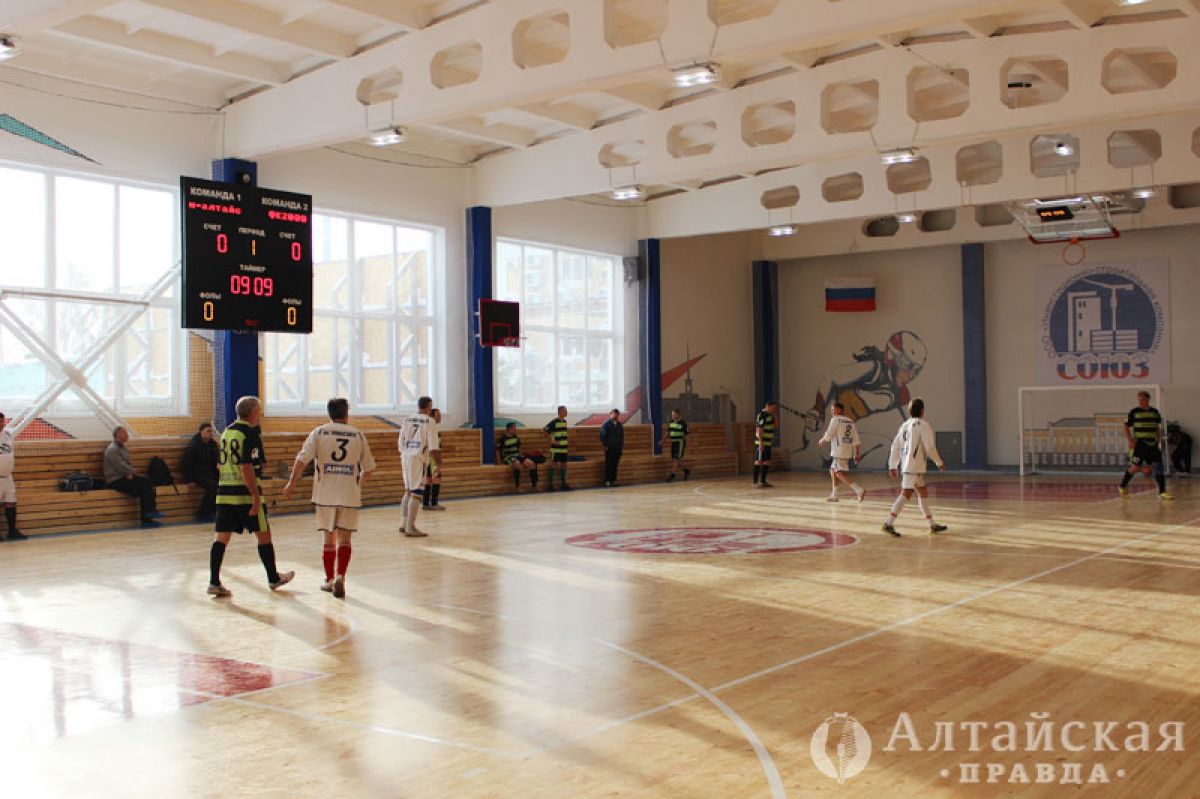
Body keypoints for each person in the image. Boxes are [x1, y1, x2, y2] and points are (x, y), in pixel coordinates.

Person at [283, 397, 375, 599]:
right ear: (346, 413)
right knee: (345, 538)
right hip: (349, 493)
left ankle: (329, 579)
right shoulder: (358, 435)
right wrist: (357, 482)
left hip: (325, 493)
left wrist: (291, 483)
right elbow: (368, 469)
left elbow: (301, 459)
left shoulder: (319, 432)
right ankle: (341, 575)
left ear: (329, 413)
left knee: (328, 538)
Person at [207, 396, 294, 597]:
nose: (260, 414)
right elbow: (246, 466)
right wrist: (255, 495)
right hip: (245, 494)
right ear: (253, 412)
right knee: (264, 535)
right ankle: (273, 577)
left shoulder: (227, 432)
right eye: (259, 410)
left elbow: (221, 464)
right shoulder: (250, 433)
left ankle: (214, 581)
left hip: (225, 493)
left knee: (221, 538)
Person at [882, 398, 947, 537]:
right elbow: (930, 447)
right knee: (906, 493)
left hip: (910, 465)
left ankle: (932, 524)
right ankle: (888, 523)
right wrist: (939, 462)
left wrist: (893, 465)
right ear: (922, 411)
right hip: (913, 466)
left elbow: (895, 446)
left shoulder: (904, 425)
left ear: (909, 411)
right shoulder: (923, 425)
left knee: (922, 492)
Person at [104, 426, 163, 528]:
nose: (127, 435)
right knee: (145, 486)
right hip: (115, 480)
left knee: (146, 486)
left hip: (124, 477)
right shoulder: (112, 449)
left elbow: (127, 465)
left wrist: (130, 473)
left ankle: (148, 518)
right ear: (118, 435)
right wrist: (132, 473)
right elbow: (121, 466)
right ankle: (148, 516)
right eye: (125, 433)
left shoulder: (123, 448)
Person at [1119, 391, 1172, 501]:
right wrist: (1130, 440)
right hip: (1140, 444)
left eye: (1142, 399)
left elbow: (1157, 427)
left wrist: (1158, 438)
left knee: (1159, 465)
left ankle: (1162, 492)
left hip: (1153, 444)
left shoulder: (1155, 412)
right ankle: (1122, 485)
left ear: (1147, 399)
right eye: (1139, 400)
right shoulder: (1134, 412)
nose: (1140, 402)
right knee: (1135, 467)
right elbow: (1126, 426)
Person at [398, 396, 434, 537]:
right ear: (429, 406)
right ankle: (410, 527)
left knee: (408, 491)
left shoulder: (406, 419)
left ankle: (403, 524)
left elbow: (400, 441)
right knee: (417, 493)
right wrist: (438, 465)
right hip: (418, 458)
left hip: (405, 456)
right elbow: (434, 447)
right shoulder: (429, 421)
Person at [818, 401, 865, 502]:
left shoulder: (835, 420)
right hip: (847, 450)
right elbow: (856, 439)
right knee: (833, 470)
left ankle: (858, 490)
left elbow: (829, 433)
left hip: (838, 450)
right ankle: (834, 495)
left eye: (833, 409)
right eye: (831, 410)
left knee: (838, 473)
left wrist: (822, 440)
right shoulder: (850, 421)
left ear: (839, 410)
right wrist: (857, 453)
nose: (831, 411)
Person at [182, 422, 219, 522]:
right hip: (197, 474)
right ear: (201, 432)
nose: (211, 433)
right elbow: (186, 463)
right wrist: (189, 480)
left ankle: (215, 511)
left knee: (224, 484)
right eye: (208, 431)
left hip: (210, 473)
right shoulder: (194, 445)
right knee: (213, 487)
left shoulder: (213, 444)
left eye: (211, 431)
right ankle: (202, 513)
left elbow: (216, 460)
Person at [0, 412, 26, 541]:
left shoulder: (7, 435)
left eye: (2, 421)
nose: (1, 424)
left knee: (11, 502)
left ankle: (12, 531)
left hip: (8, 476)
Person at [498, 422, 538, 491]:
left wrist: (522, 457)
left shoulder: (516, 437)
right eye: (514, 428)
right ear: (509, 429)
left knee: (532, 464)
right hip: (508, 457)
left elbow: (519, 448)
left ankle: (534, 487)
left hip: (517, 455)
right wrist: (499, 461)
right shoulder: (502, 439)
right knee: (517, 464)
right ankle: (517, 487)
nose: (515, 430)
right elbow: (497, 450)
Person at [543, 406, 572, 491]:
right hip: (556, 449)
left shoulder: (565, 422)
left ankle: (563, 484)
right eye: (565, 410)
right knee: (554, 465)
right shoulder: (554, 421)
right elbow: (545, 430)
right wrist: (552, 441)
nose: (566, 412)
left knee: (564, 465)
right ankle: (550, 486)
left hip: (564, 448)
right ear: (560, 412)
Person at [422, 408, 445, 512]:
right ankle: (434, 503)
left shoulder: (429, 428)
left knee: (427, 480)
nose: (440, 416)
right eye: (438, 415)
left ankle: (426, 503)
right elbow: (433, 447)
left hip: (427, 458)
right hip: (432, 458)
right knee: (435, 479)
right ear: (432, 416)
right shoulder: (432, 429)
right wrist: (437, 460)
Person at [752, 401, 778, 488]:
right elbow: (759, 429)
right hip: (762, 442)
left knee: (767, 461)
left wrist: (775, 415)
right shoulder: (762, 415)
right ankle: (755, 482)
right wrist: (761, 442)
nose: (774, 409)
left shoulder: (771, 416)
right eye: (773, 408)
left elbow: (776, 425)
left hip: (768, 443)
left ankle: (763, 481)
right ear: (767, 406)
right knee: (758, 461)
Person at [663, 409, 691, 482]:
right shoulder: (671, 422)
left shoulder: (683, 424)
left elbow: (687, 435)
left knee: (676, 459)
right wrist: (662, 440)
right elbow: (668, 432)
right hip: (673, 443)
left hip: (680, 443)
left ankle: (672, 475)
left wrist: (688, 445)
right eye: (672, 414)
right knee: (677, 460)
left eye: (674, 414)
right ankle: (686, 470)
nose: (672, 416)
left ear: (678, 414)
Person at [600, 409, 624, 487]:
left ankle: (613, 480)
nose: (615, 416)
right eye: (614, 414)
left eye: (617, 414)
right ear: (610, 414)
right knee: (609, 465)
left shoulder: (619, 425)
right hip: (610, 448)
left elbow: (621, 436)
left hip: (617, 448)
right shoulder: (606, 424)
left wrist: (621, 446)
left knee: (615, 465)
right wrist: (605, 445)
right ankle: (607, 481)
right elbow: (603, 436)